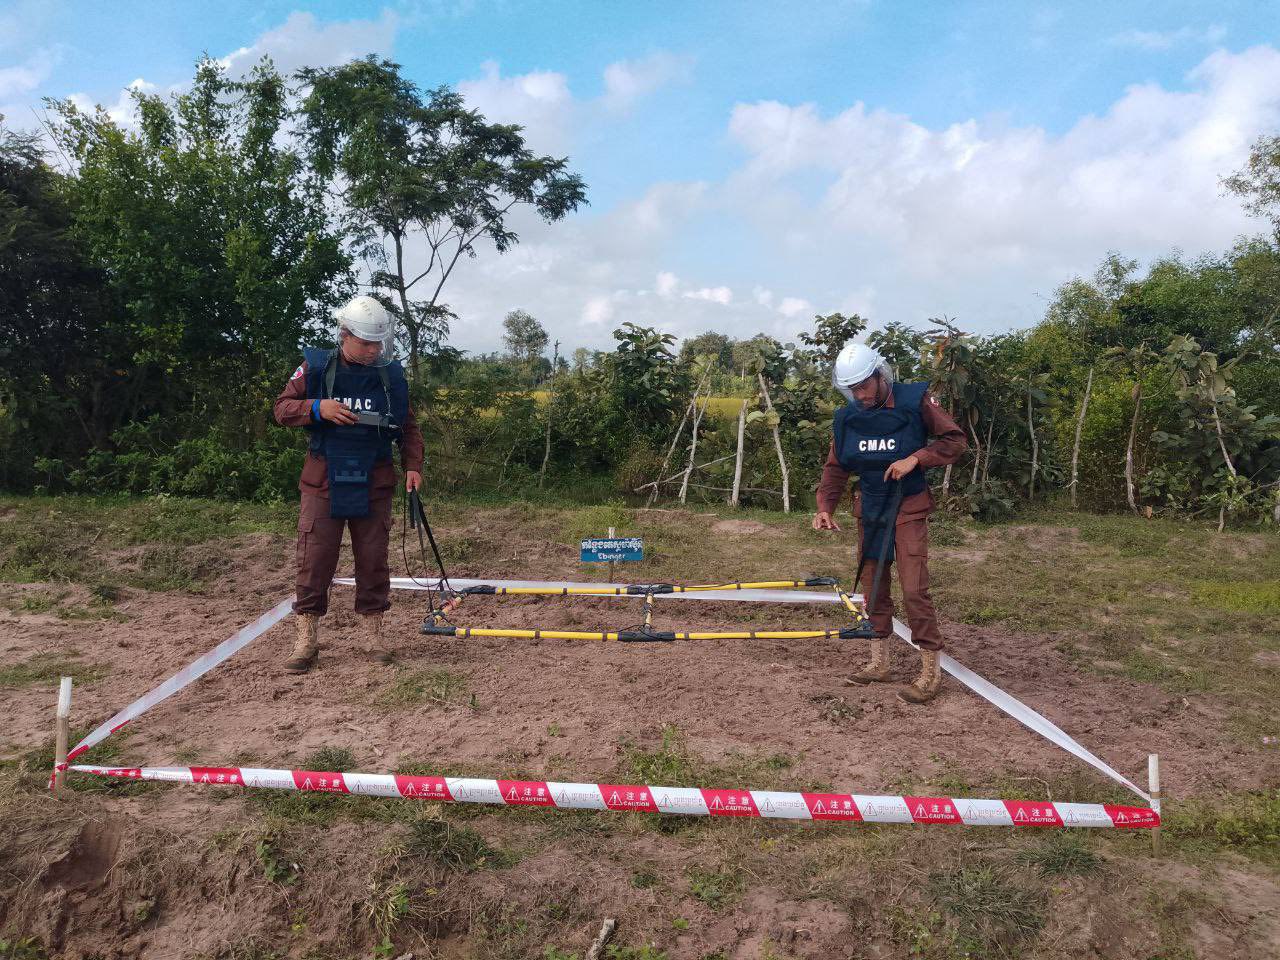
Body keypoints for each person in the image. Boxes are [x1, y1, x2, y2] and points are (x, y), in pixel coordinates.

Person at [273, 296, 424, 673]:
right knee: (314, 560)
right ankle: (306, 640)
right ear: (345, 336)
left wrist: (413, 465)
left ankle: (374, 636)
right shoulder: (316, 367)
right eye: (366, 343)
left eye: (379, 343)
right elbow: (281, 408)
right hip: (324, 480)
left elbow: (407, 425)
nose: (374, 350)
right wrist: (315, 408)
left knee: (373, 561)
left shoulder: (390, 376)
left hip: (374, 481)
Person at [812, 343, 967, 703]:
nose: (860, 396)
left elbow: (954, 440)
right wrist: (825, 506)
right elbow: (836, 466)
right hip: (870, 510)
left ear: (880, 375)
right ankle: (879, 663)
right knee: (874, 588)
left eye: (864, 386)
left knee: (914, 590)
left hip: (908, 507)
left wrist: (917, 458)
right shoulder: (848, 417)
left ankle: (930, 672)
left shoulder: (916, 401)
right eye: (853, 390)